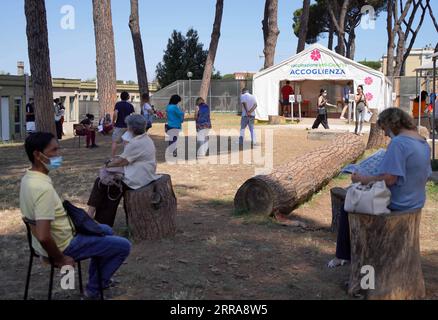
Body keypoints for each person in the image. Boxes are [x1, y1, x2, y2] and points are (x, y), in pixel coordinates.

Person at [20, 132, 131, 299]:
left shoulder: (29, 179)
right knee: (124, 246)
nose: (58, 155)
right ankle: (93, 290)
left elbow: (38, 228)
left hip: (55, 238)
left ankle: (99, 280)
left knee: (105, 229)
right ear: (37, 154)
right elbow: (44, 236)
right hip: (65, 245)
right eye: (54, 151)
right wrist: (62, 259)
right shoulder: (42, 189)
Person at [328, 108, 432, 268]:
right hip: (415, 200)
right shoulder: (422, 143)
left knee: (348, 202)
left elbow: (389, 179)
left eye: (384, 129)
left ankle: (344, 256)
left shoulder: (398, 143)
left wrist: (362, 179)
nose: (384, 134)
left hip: (397, 202)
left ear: (392, 124)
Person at [88, 115, 161, 227]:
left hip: (137, 178)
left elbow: (122, 162)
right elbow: (125, 159)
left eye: (128, 126)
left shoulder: (136, 143)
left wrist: (108, 164)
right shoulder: (145, 139)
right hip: (142, 174)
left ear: (131, 128)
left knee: (109, 186)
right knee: (101, 182)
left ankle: (100, 222)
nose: (126, 128)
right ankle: (92, 215)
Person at [112, 92, 135, 158]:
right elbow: (133, 115)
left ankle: (112, 157)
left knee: (115, 142)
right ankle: (126, 156)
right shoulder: (130, 105)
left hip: (119, 125)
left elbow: (115, 113)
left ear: (120, 97)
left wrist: (113, 122)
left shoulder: (118, 104)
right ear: (128, 97)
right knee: (126, 142)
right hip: (127, 126)